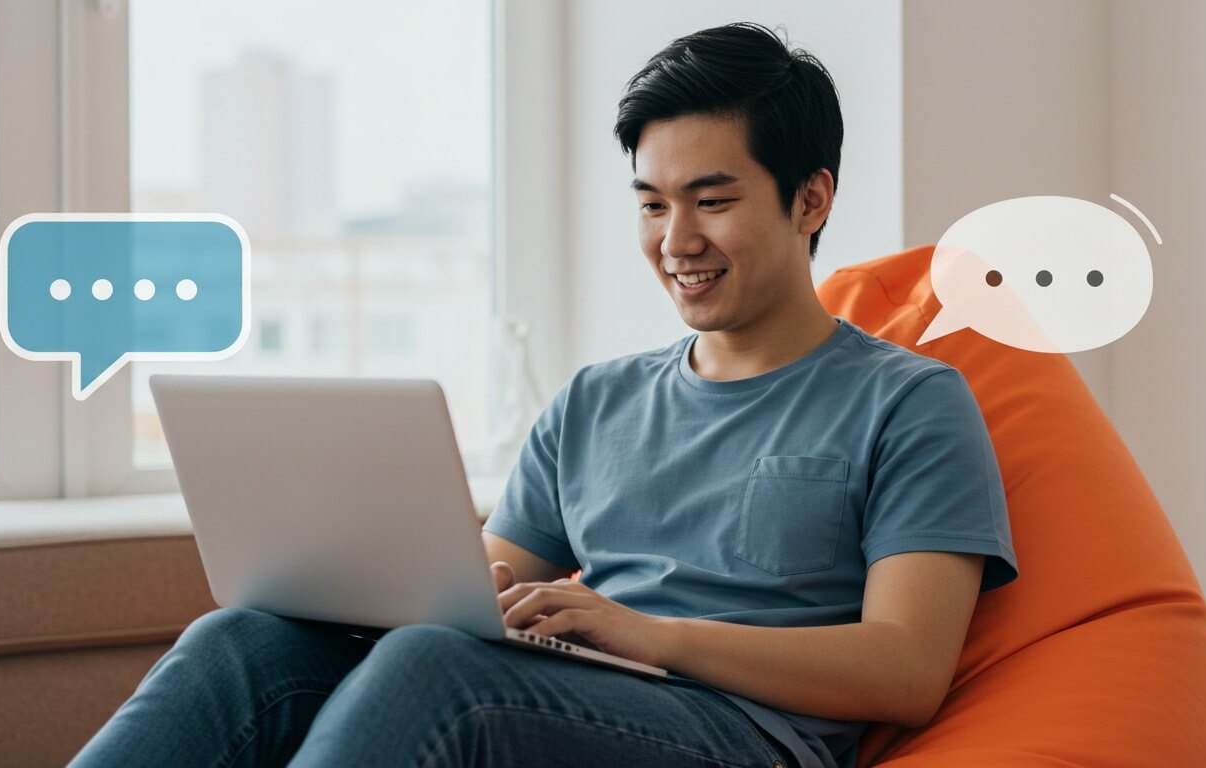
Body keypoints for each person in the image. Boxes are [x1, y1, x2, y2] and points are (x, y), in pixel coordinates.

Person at [69, 21, 1016, 768]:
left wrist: (650, 637)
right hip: (576, 694)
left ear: (810, 200)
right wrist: (450, 590)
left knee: (433, 670)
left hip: (742, 735)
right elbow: (482, 573)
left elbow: (907, 668)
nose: (675, 239)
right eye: (651, 203)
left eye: (713, 201)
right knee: (246, 642)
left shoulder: (910, 402)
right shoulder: (595, 401)